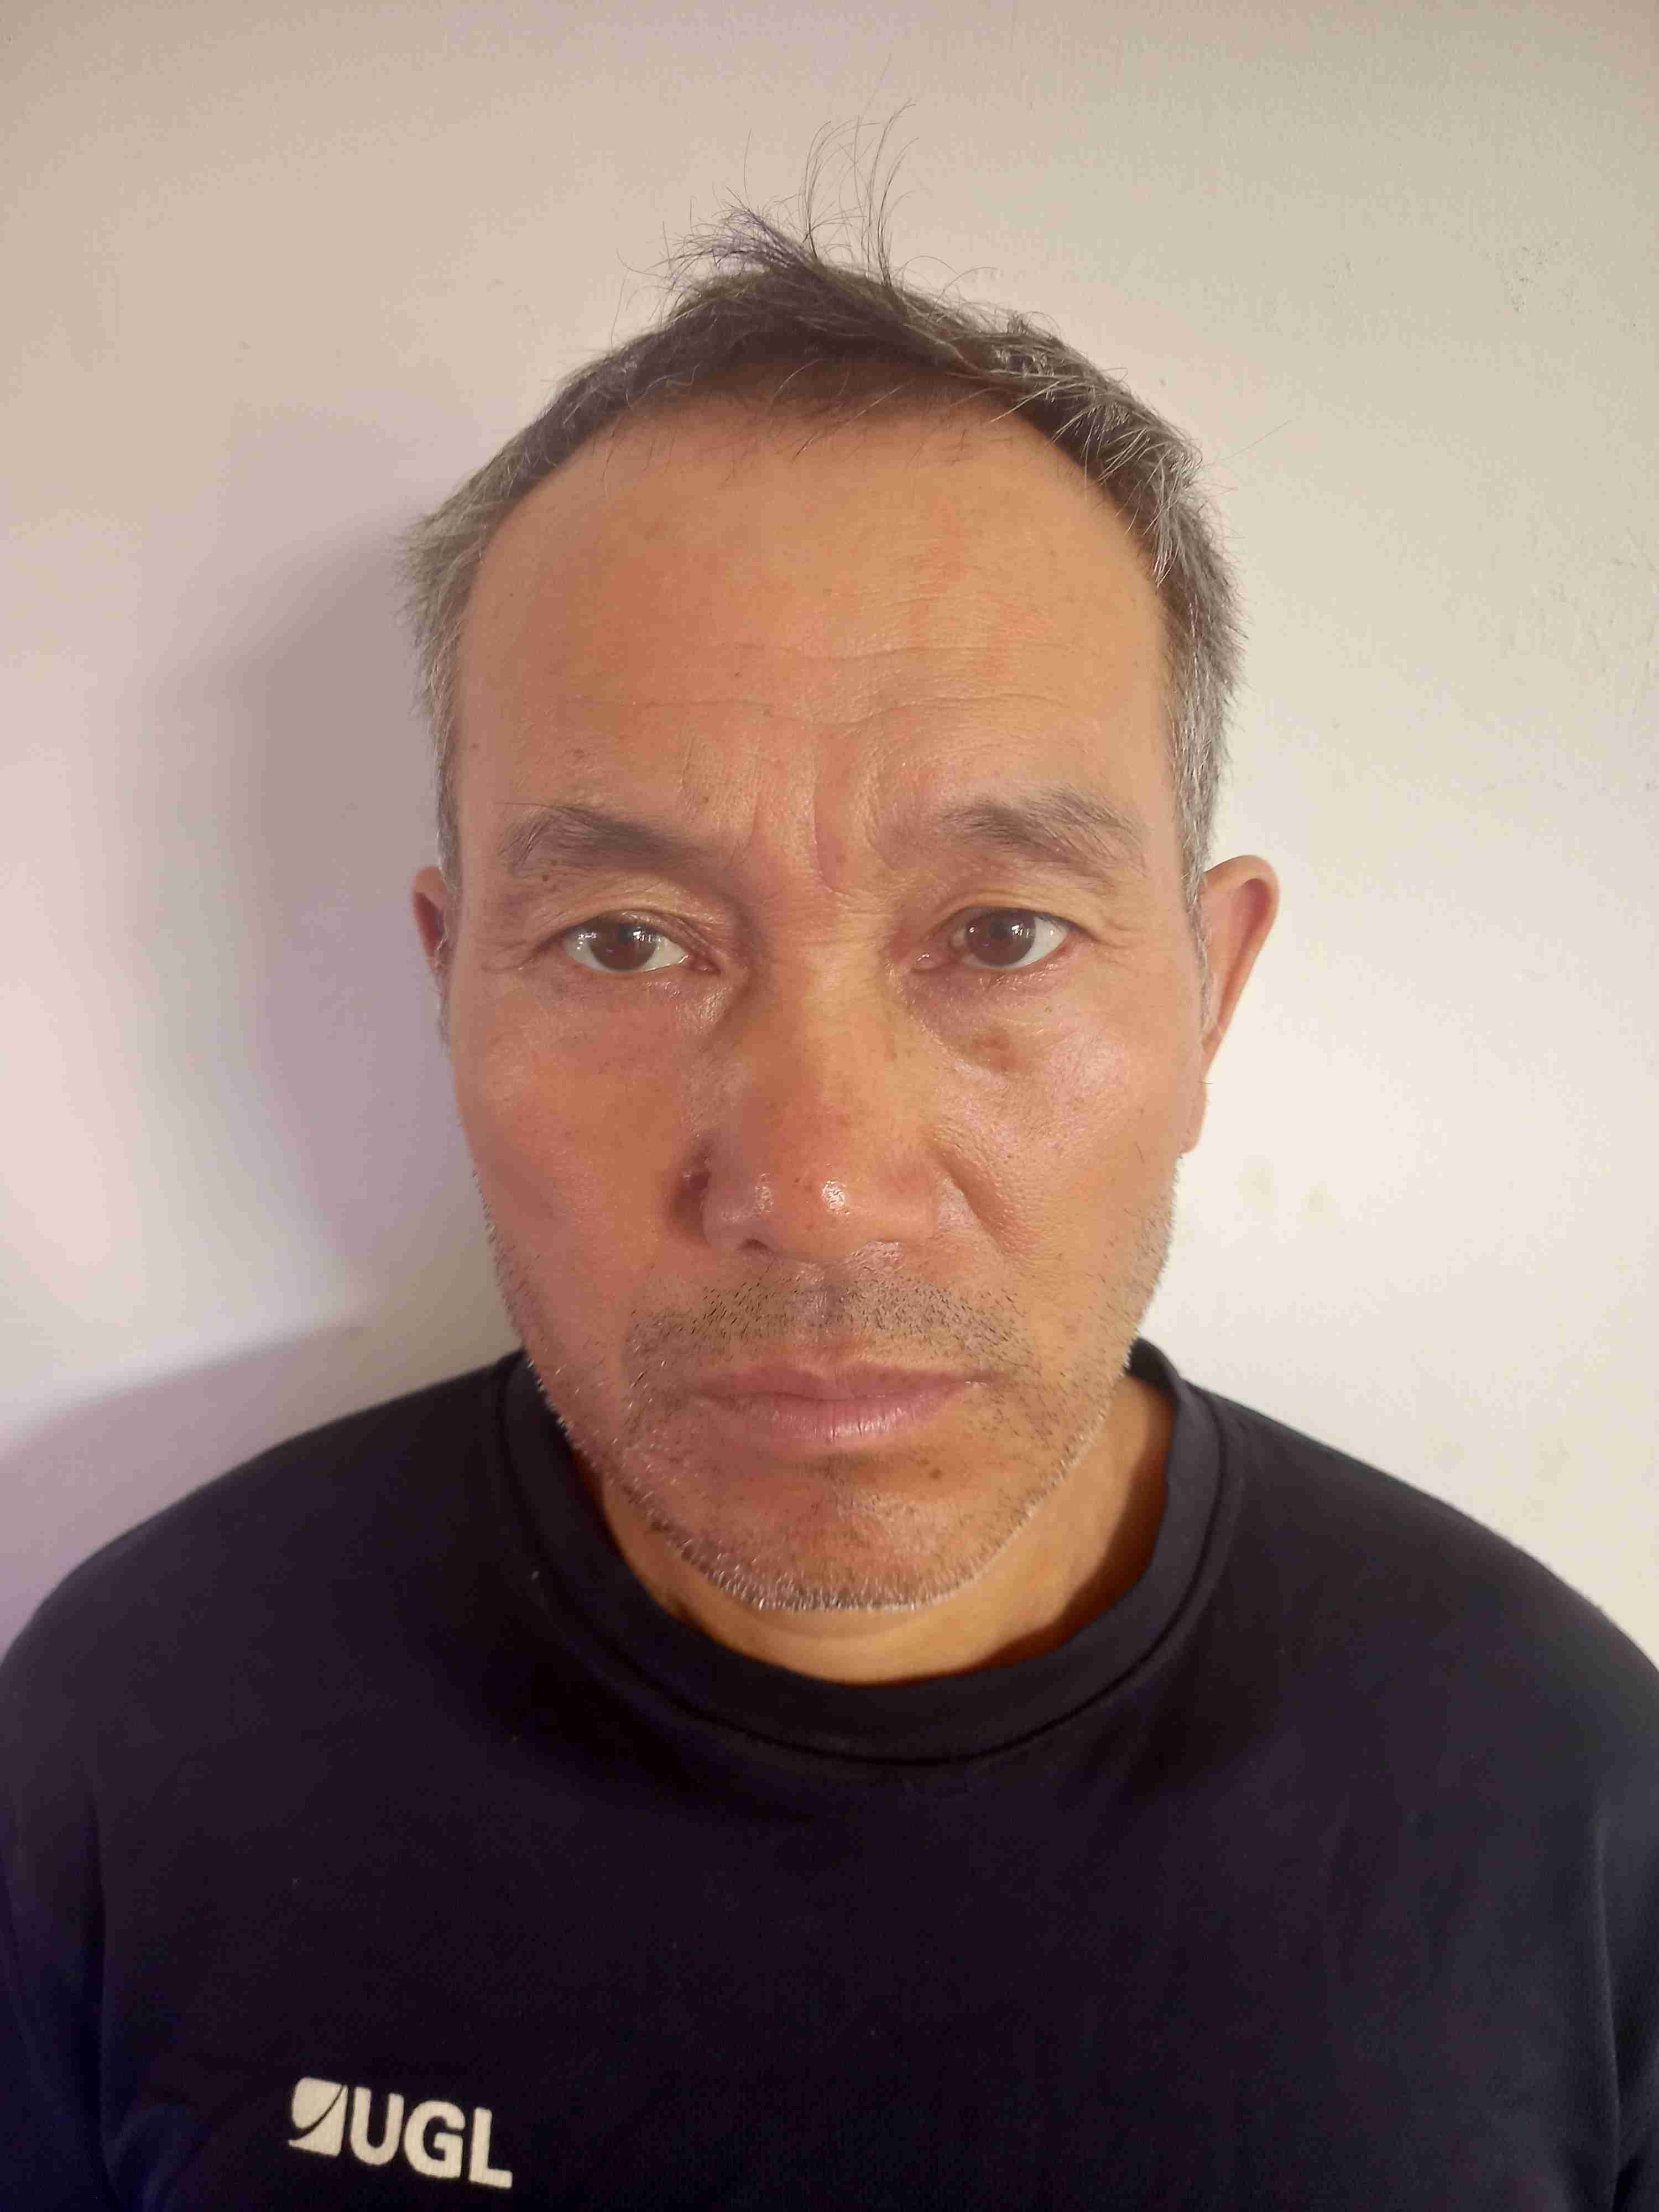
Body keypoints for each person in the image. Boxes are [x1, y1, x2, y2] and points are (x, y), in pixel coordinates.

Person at [4, 178, 1657, 2211]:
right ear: (448, 984)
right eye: (626, 941)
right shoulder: (132, 1736)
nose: (819, 1185)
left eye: (1003, 934)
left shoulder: (1574, 1810)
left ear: (1211, 994)